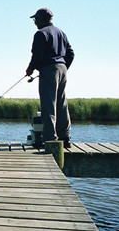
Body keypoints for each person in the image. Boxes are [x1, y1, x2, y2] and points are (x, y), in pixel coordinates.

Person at [26, 8, 74, 149]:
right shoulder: (61, 33)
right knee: (62, 104)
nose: (35, 23)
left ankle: (50, 140)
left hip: (49, 70)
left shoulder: (40, 34)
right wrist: (63, 66)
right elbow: (71, 53)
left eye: (36, 19)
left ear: (42, 19)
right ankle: (65, 138)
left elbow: (37, 55)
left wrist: (30, 69)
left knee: (48, 105)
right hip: (62, 69)